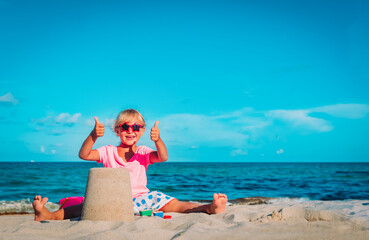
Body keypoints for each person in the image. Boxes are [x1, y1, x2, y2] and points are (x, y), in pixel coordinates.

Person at [33, 109, 227, 221]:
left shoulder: (142, 151)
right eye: (125, 127)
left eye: (135, 127)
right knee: (82, 207)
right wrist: (93, 135)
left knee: (174, 204)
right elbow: (83, 154)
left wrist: (158, 141)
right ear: (118, 130)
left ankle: (209, 207)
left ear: (141, 131)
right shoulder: (108, 151)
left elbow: (163, 157)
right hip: (114, 201)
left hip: (143, 198)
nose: (130, 131)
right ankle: (46, 215)